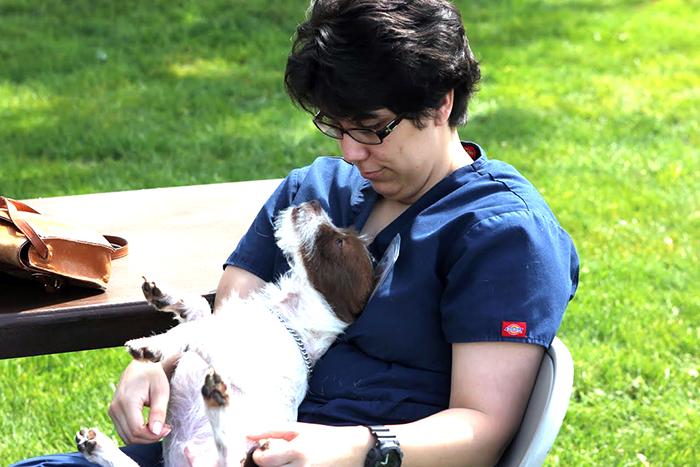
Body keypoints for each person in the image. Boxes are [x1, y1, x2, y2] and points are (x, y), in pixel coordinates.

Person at [13, 0, 579, 466]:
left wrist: (352, 447)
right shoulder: (317, 190)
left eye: (372, 130)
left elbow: (482, 430)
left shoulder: (503, 235)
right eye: (336, 126)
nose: (351, 153)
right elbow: (231, 326)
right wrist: (153, 366)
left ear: (440, 103)